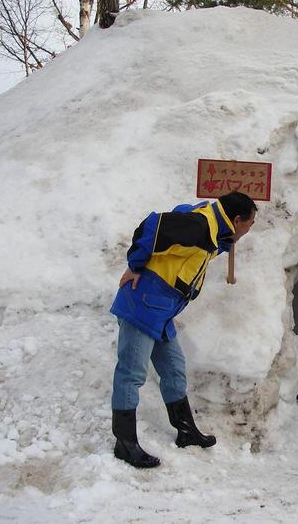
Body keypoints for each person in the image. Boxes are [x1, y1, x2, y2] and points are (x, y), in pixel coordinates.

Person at [109, 191, 257, 468]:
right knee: (131, 373)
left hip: (162, 310)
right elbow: (154, 225)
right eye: (249, 225)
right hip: (142, 304)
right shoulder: (201, 227)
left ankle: (186, 431)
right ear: (237, 220)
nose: (248, 230)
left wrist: (226, 241)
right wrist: (135, 264)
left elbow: (184, 214)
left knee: (174, 369)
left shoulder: (212, 226)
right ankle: (124, 443)